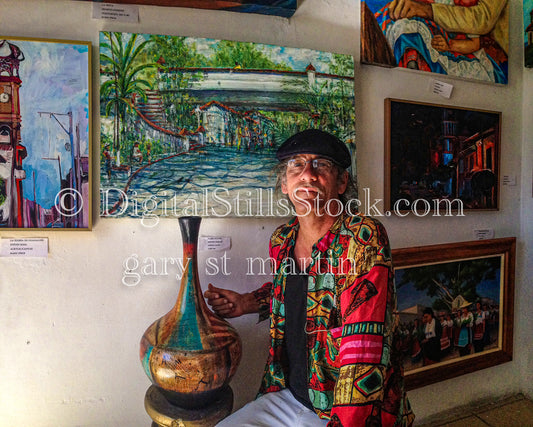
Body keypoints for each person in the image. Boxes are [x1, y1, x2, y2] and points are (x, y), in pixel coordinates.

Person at [205, 129, 414, 426]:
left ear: (342, 183)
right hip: (285, 394)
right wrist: (247, 302)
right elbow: (298, 290)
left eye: (322, 165)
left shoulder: (362, 238)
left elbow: (364, 350)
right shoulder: (283, 239)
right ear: (285, 184)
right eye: (296, 165)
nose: (308, 175)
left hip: (340, 410)